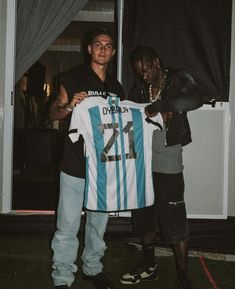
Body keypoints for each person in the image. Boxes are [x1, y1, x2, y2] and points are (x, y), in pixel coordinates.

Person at [120, 46, 203, 289]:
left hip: (168, 160)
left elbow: (193, 99)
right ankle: (149, 266)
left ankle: (182, 276)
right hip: (143, 159)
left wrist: (156, 107)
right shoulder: (140, 87)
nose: (143, 75)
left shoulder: (177, 77)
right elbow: (132, 115)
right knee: (145, 217)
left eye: (146, 69)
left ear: (156, 62)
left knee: (174, 219)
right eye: (139, 72)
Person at [50, 28, 125, 289]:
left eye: (108, 46)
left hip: (103, 166)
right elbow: (54, 114)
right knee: (68, 223)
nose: (103, 49)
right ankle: (62, 276)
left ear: (113, 52)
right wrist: (69, 105)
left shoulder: (116, 88)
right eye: (98, 45)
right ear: (89, 49)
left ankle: (92, 268)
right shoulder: (73, 78)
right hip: (74, 163)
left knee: (98, 223)